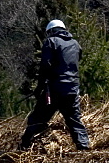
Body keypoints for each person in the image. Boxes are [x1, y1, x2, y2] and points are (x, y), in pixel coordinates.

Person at [20, 19, 90, 150]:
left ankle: (24, 146)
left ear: (50, 31)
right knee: (74, 119)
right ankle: (84, 147)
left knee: (38, 117)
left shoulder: (50, 42)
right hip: (72, 89)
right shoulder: (75, 44)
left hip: (55, 89)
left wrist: (39, 87)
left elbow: (45, 66)